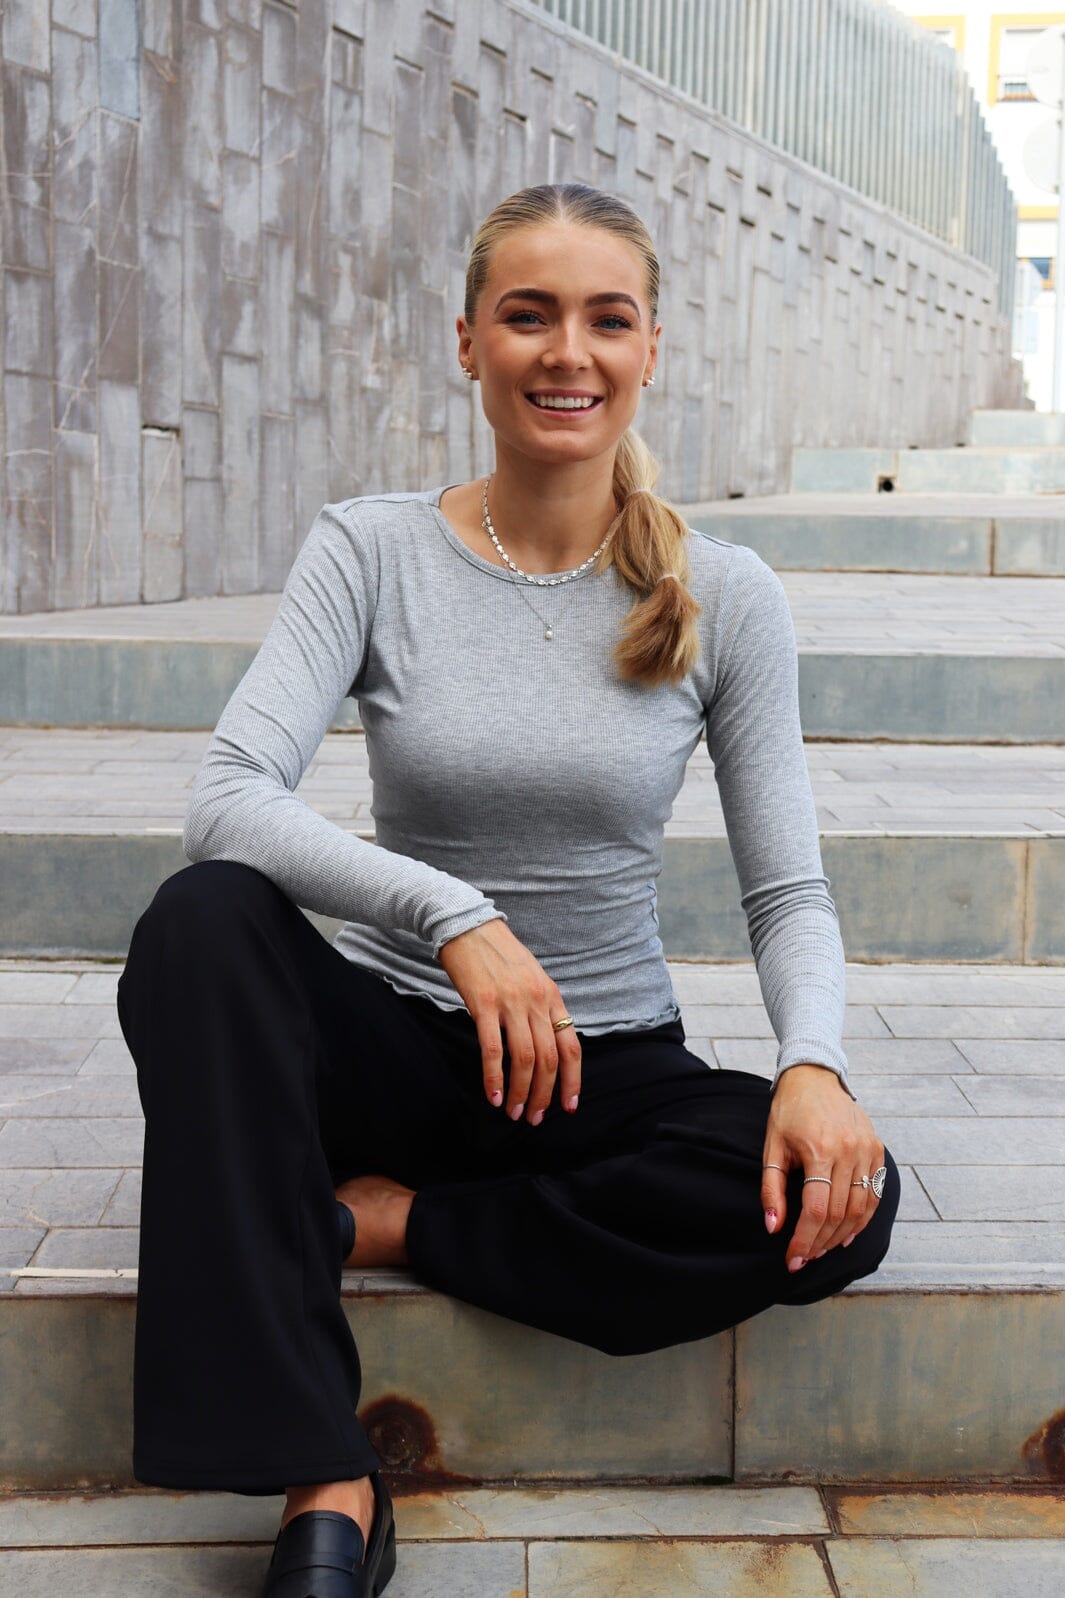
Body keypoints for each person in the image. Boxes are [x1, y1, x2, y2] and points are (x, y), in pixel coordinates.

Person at [115, 182, 899, 1598]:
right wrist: (453, 915)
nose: (567, 352)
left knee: (848, 1191)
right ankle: (325, 1472)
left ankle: (381, 1222)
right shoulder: (370, 548)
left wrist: (814, 1065)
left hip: (602, 1071)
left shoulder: (724, 591)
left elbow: (786, 891)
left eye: (607, 319)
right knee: (202, 921)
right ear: (468, 340)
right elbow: (226, 797)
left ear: (650, 349)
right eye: (528, 315)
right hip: (399, 1057)